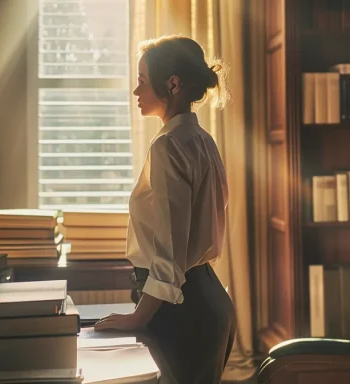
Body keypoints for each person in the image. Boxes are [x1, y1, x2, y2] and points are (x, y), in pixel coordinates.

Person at [93, 35, 235, 384]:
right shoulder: (203, 140)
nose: (136, 91)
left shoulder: (168, 146)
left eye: (142, 81)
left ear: (172, 85)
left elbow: (169, 257)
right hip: (208, 299)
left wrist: (138, 317)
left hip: (181, 311)